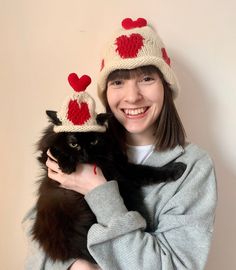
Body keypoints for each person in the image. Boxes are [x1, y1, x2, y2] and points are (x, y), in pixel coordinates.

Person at [23, 17, 217, 270]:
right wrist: (75, 266)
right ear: (106, 93)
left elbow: (175, 266)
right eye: (118, 82)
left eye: (146, 78)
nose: (133, 96)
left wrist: (98, 192)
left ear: (166, 86)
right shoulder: (81, 146)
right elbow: (37, 237)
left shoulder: (194, 167)